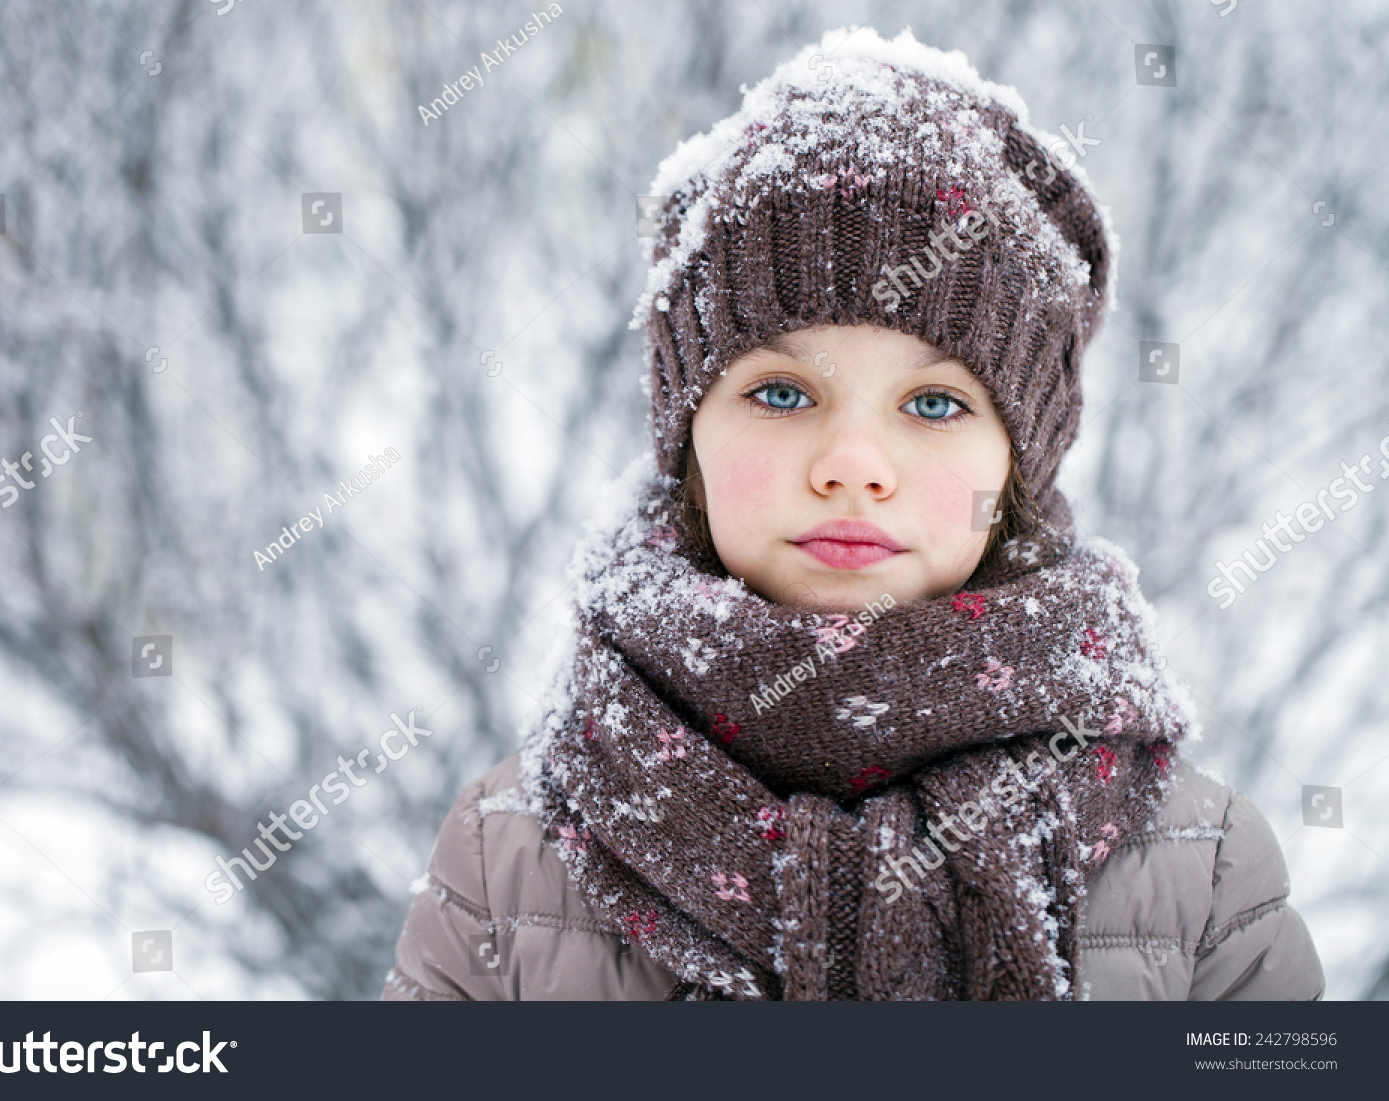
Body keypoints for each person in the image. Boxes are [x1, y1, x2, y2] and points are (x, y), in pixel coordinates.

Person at [382, 26, 1324, 1000]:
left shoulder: (1201, 872)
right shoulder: (507, 857)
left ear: (1019, 463)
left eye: (935, 404)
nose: (853, 468)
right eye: (784, 393)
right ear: (685, 431)